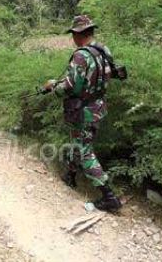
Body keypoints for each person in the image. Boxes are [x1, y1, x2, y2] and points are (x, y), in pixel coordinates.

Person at [43, 15, 122, 212]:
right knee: (78, 141)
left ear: (78, 34)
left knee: (84, 149)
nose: (73, 39)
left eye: (73, 35)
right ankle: (70, 176)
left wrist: (53, 87)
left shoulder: (81, 55)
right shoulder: (104, 50)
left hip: (83, 111)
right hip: (98, 107)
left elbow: (70, 86)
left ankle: (108, 196)